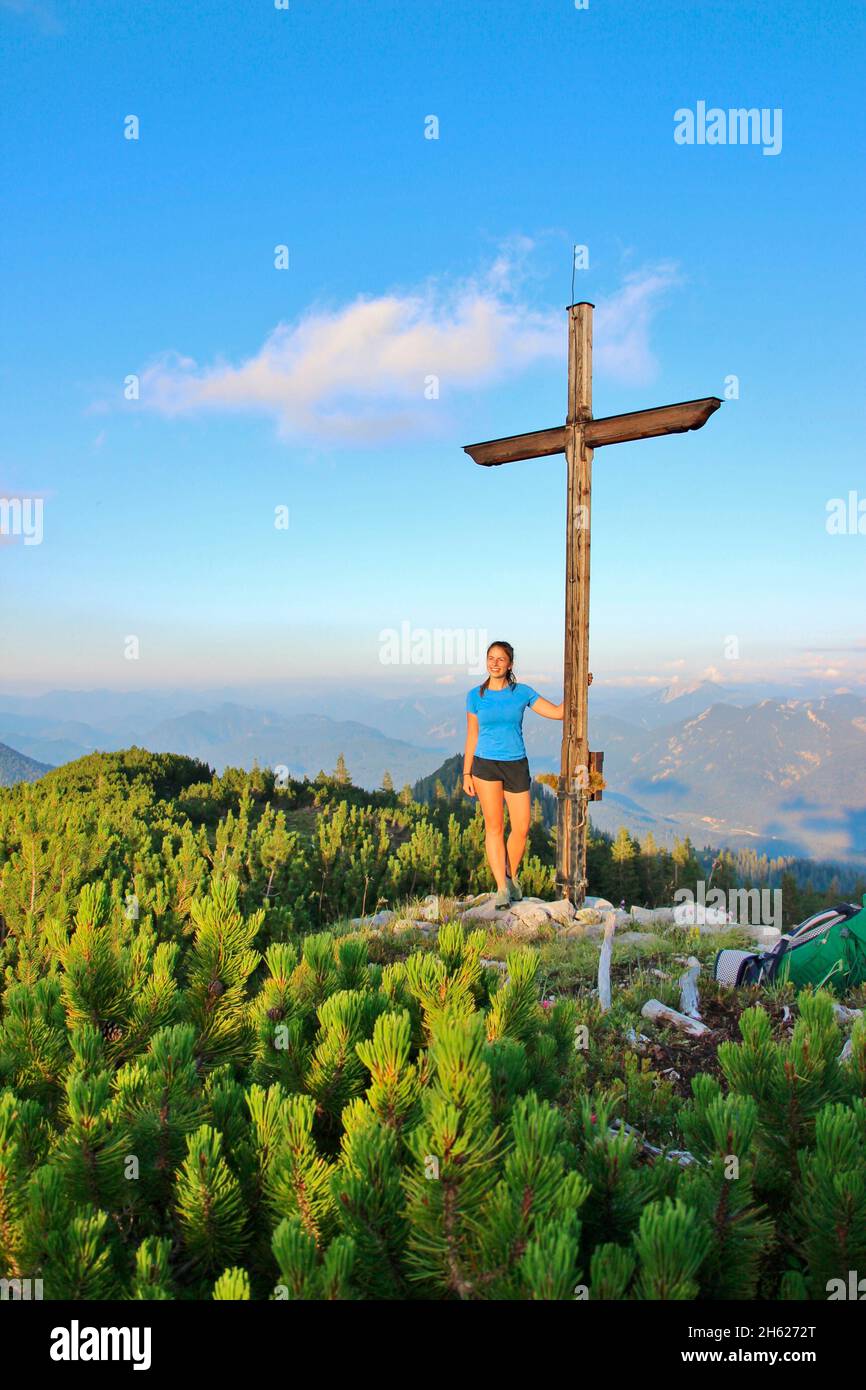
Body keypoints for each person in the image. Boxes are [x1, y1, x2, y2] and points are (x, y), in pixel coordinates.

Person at [463, 640, 564, 908]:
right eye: (490, 658)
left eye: (500, 659)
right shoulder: (475, 695)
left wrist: (580, 687)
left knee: (521, 827)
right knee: (494, 827)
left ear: (510, 664)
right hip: (485, 765)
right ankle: (501, 888)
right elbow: (472, 735)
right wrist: (466, 773)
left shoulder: (522, 692)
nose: (494, 663)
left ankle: (510, 876)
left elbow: (558, 712)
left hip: (516, 764)